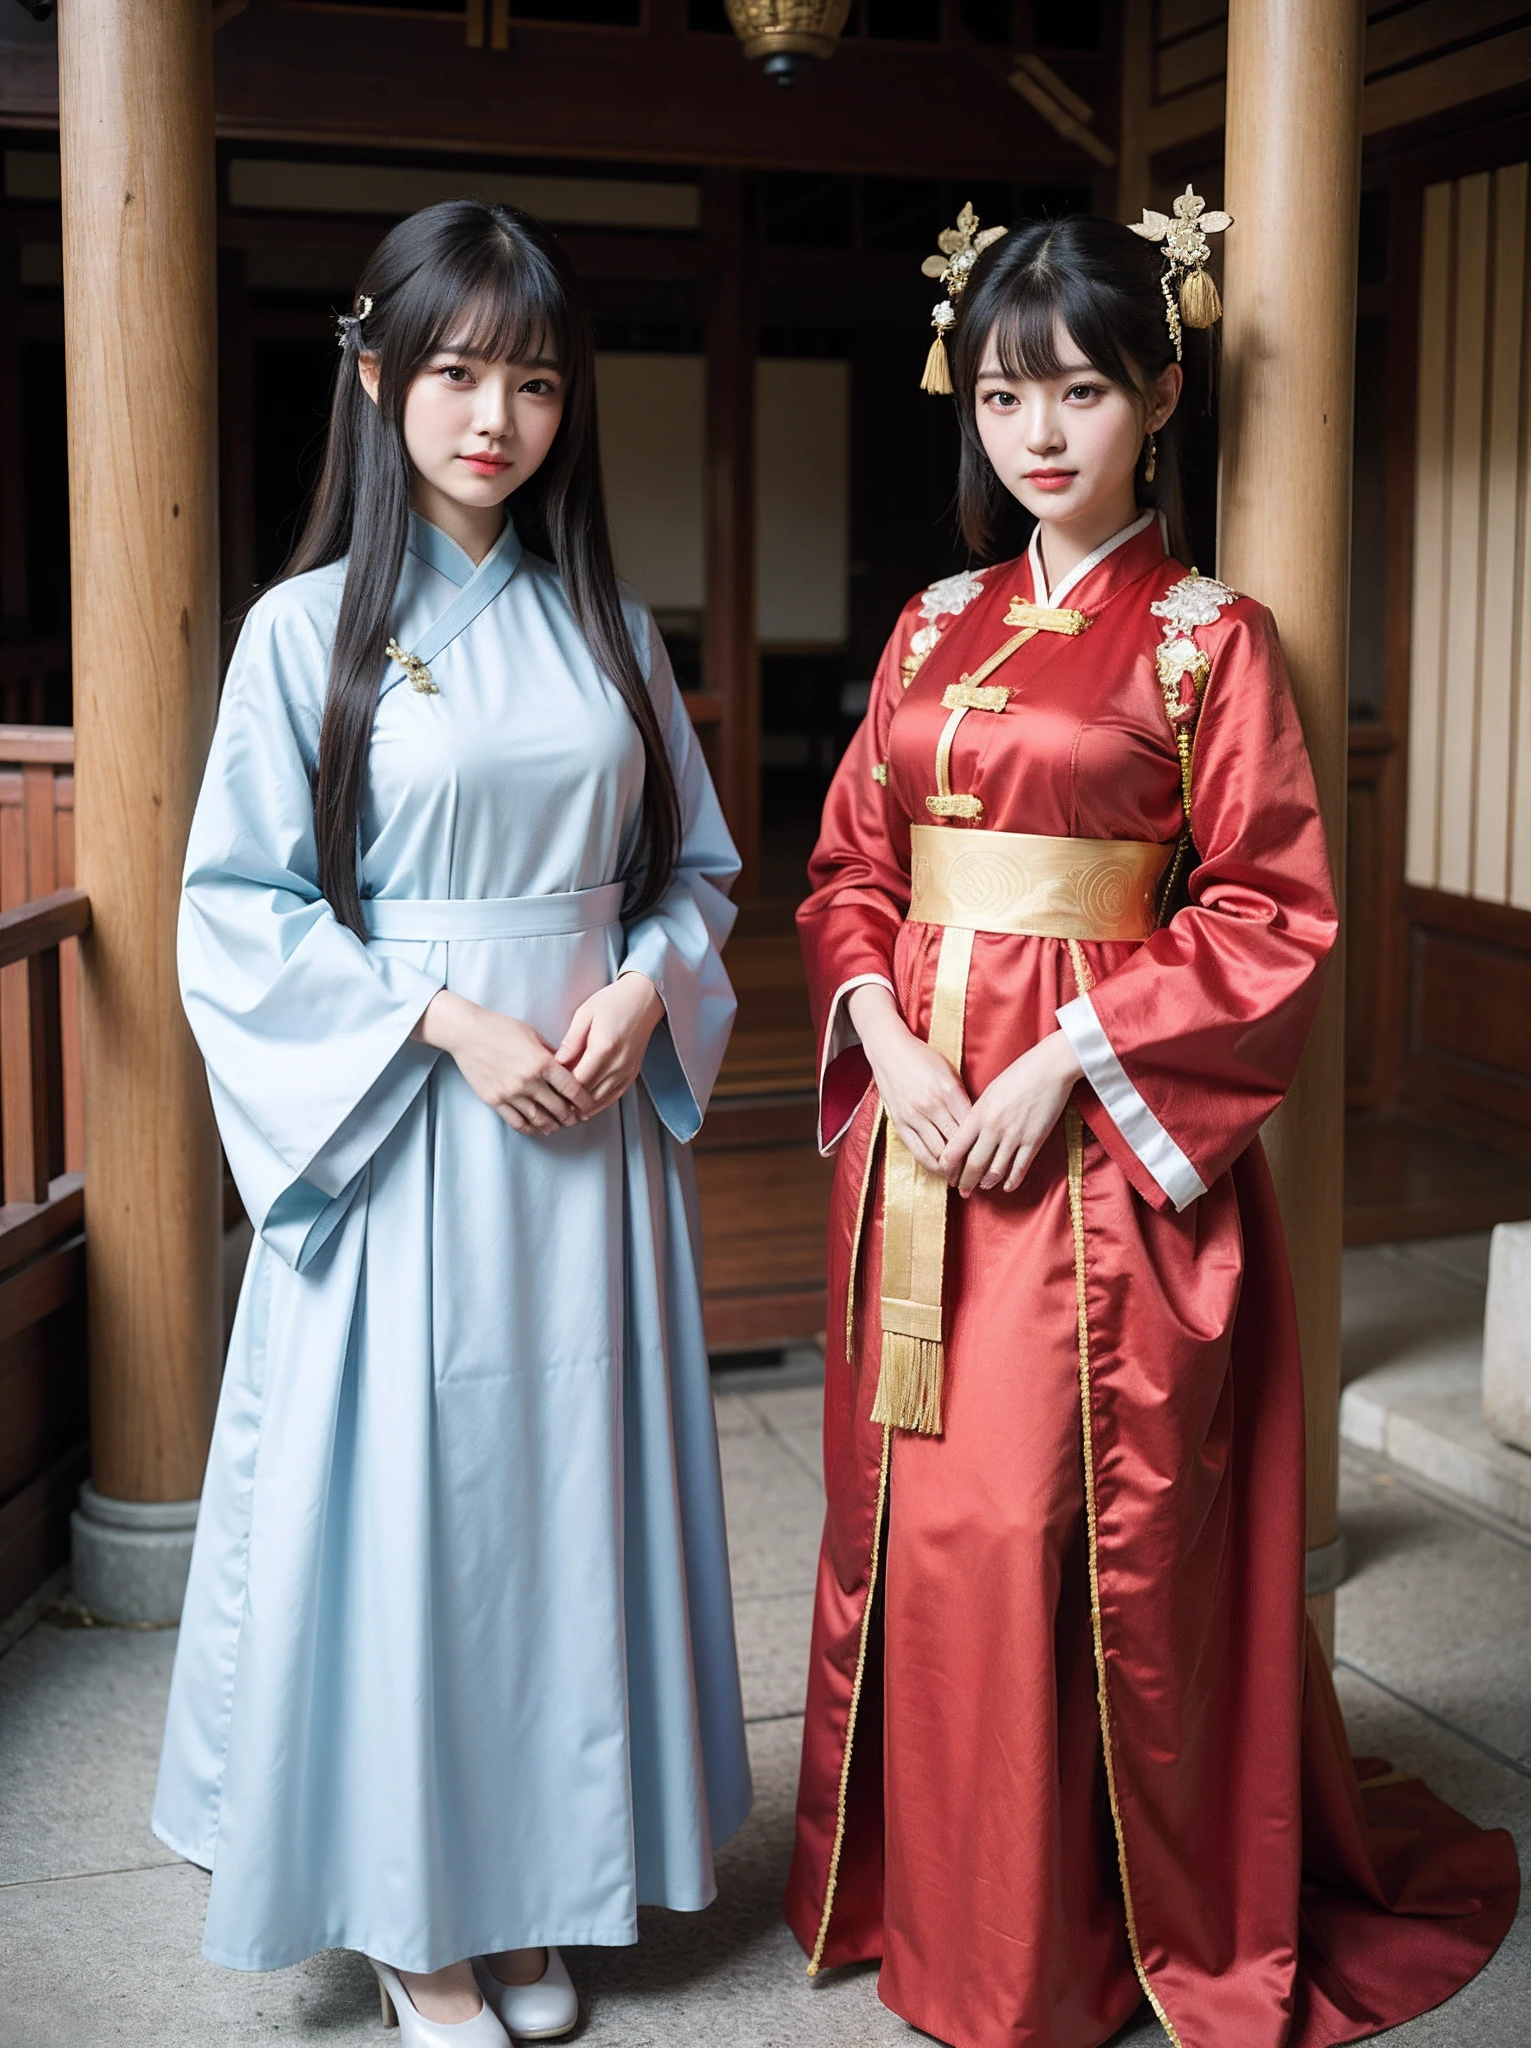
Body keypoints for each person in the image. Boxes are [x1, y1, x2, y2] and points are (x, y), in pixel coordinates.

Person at [783, 198, 1518, 2048]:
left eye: (1086, 393)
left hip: (1096, 1152)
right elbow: (849, 870)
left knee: (1061, 1526)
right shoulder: (930, 624)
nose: (1041, 435)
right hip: (922, 1136)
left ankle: (1068, 1936)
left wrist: (1062, 1065)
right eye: (1011, 396)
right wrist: (885, 1023)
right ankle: (925, 1896)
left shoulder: (1211, 643)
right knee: (922, 1522)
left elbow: (1269, 909)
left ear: (1162, 398)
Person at [152, 199, 751, 2046]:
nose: (496, 415)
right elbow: (238, 907)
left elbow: (695, 871)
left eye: (536, 380)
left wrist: (649, 982)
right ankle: (419, 1910)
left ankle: (545, 1880)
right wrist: (439, 1019)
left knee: (565, 1516)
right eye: (459, 371)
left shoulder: (607, 626)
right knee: (417, 1520)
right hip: (411, 1129)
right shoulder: (303, 635)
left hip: (583, 1141)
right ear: (379, 375)